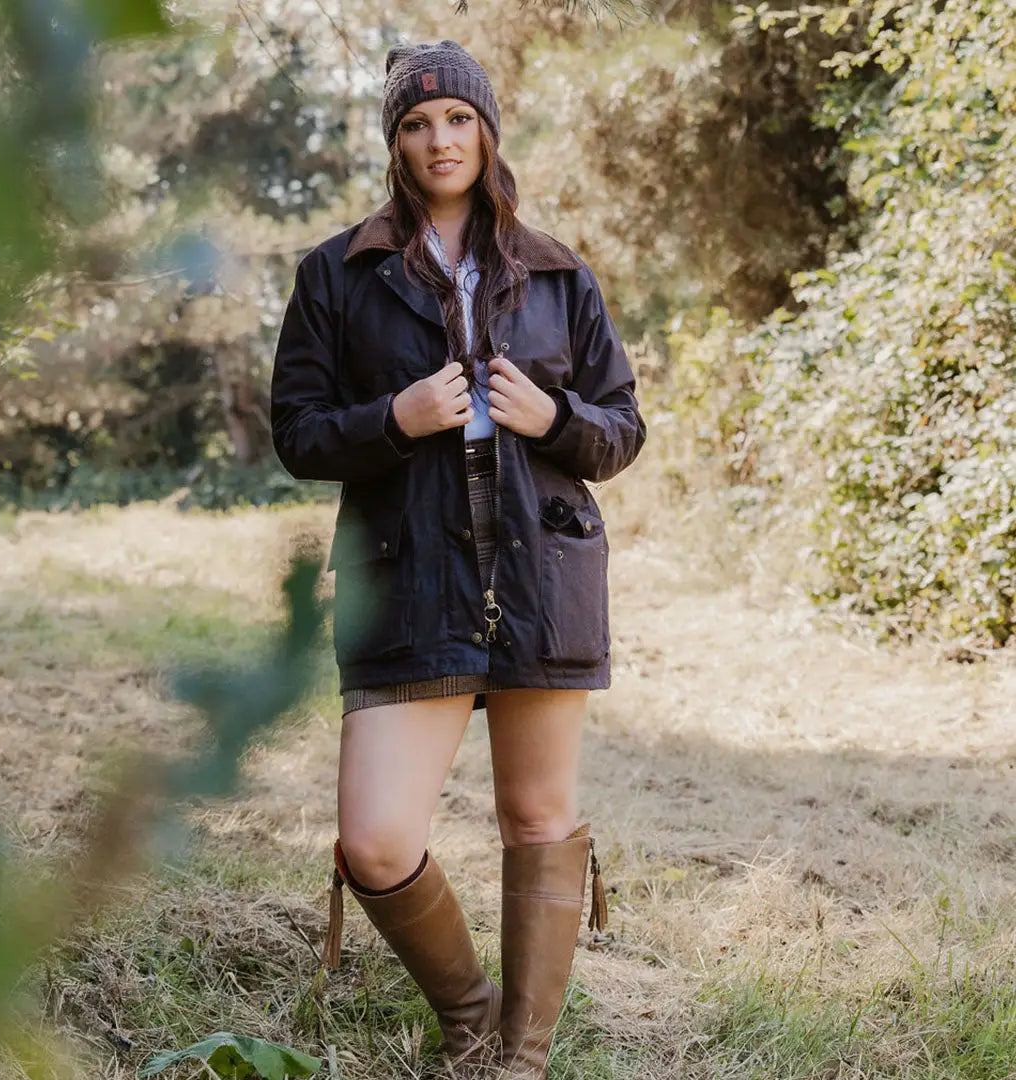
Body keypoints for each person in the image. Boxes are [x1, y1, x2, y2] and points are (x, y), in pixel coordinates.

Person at [271, 39, 645, 1079]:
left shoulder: (559, 272)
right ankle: (473, 1014)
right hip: (407, 576)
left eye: (458, 120)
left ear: (487, 131)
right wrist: (390, 417)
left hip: (540, 580)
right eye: (416, 123)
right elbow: (297, 432)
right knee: (377, 840)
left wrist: (555, 415)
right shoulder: (338, 273)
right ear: (395, 141)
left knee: (538, 813)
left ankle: (516, 1061)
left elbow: (620, 428)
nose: (440, 140)